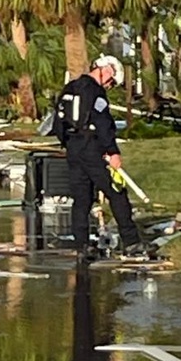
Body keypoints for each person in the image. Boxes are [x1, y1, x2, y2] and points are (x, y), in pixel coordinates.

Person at [54, 54, 143, 259]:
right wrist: (112, 151)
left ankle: (82, 245)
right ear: (107, 70)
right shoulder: (96, 93)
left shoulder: (69, 89)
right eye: (111, 81)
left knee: (81, 199)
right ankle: (131, 242)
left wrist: (67, 143)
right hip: (92, 147)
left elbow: (58, 123)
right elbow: (103, 124)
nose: (110, 85)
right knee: (116, 192)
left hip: (73, 149)